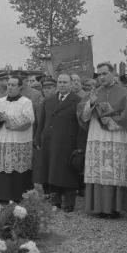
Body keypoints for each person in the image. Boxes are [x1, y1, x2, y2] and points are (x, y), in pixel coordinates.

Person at [79, 62, 127, 219]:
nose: (101, 77)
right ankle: (99, 206)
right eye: (99, 74)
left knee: (115, 168)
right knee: (99, 169)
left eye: (104, 73)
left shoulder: (125, 92)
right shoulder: (94, 92)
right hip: (97, 136)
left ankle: (115, 208)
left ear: (113, 74)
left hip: (118, 136)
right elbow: (83, 116)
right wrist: (91, 103)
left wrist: (112, 121)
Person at [34, 73, 83, 212]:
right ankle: (55, 200)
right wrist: (38, 138)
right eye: (60, 82)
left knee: (68, 174)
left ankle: (69, 202)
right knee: (52, 172)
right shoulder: (48, 101)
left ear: (71, 84)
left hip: (69, 144)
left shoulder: (78, 101)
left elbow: (81, 126)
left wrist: (80, 147)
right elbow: (41, 122)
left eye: (65, 82)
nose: (62, 85)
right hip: (50, 143)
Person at [0, 75, 35, 202]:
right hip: (2, 138)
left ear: (20, 87)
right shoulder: (1, 101)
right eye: (9, 85)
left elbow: (28, 120)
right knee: (0, 167)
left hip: (18, 140)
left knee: (16, 168)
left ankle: (16, 196)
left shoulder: (26, 102)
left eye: (13, 85)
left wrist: (8, 119)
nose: (10, 87)